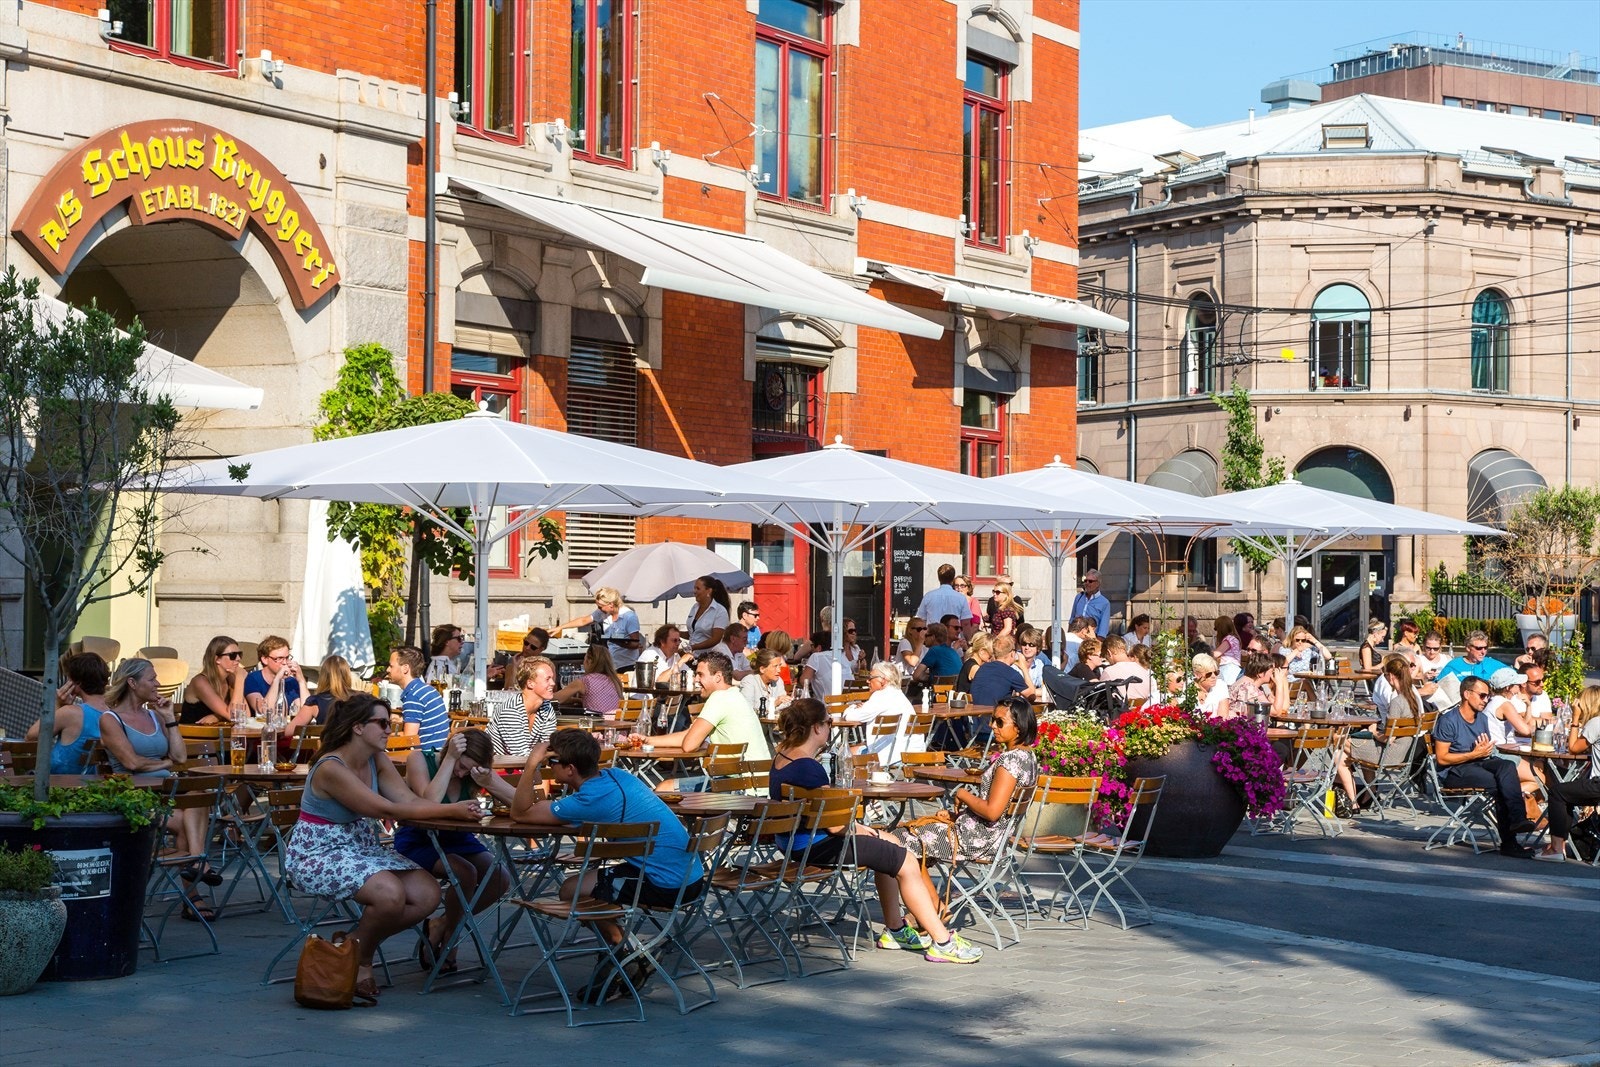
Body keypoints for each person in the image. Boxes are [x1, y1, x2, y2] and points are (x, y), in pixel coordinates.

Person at [283, 693, 481, 1000]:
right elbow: (386, 810)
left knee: (428, 894)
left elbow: (410, 801)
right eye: (383, 723)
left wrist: (451, 807)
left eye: (392, 723)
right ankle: (360, 960)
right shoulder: (331, 767)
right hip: (318, 853)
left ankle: (353, 944)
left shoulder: (376, 758)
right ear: (358, 727)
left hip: (361, 849)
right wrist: (451, 810)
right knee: (390, 894)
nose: (390, 730)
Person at [768, 698, 978, 963]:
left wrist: (867, 831)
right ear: (817, 727)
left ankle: (896, 929)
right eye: (829, 723)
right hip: (819, 845)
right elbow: (834, 826)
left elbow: (829, 819)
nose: (831, 728)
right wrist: (870, 832)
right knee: (907, 860)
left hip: (792, 843)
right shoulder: (809, 768)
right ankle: (942, 941)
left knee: (890, 848)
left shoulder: (782, 757)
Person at [512, 728, 704, 979]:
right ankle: (623, 953)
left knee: (572, 890)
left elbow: (520, 814)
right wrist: (490, 782)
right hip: (688, 874)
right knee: (584, 886)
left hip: (668, 883)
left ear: (570, 769)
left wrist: (531, 765)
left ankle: (626, 951)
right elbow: (533, 811)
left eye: (552, 761)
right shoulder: (616, 776)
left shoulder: (591, 799)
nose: (549, 765)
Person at [889, 696, 1037, 963]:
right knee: (913, 839)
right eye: (993, 719)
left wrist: (965, 795)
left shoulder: (1010, 762)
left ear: (1019, 726)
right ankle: (933, 911)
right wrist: (960, 813)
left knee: (900, 840)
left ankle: (934, 914)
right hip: (981, 833)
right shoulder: (1027, 757)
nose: (992, 725)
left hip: (976, 840)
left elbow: (992, 811)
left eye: (1000, 721)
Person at [395, 728, 514, 972]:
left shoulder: (471, 773)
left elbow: (521, 803)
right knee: (465, 872)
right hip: (420, 839)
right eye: (461, 765)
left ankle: (443, 925)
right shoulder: (419, 759)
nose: (461, 773)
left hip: (457, 839)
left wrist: (488, 780)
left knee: (500, 878)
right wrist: (449, 760)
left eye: (466, 769)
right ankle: (452, 942)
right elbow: (429, 804)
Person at [99, 658, 213, 904]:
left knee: (198, 796)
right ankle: (194, 890)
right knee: (187, 819)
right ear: (132, 683)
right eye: (152, 679)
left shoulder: (155, 715)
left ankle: (195, 863)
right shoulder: (110, 719)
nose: (158, 684)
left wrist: (170, 717)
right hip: (136, 798)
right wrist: (165, 763)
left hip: (167, 795)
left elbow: (181, 756)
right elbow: (132, 763)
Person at [1434, 676, 1535, 858]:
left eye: (1487, 696)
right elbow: (1441, 758)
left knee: (1507, 766)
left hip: (1479, 761)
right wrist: (1473, 754)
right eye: (1482, 696)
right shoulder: (1448, 720)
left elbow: (1484, 749)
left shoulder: (1481, 718)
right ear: (1467, 694)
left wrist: (1483, 752)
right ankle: (1509, 843)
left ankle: (1518, 819)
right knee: (1500, 784)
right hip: (1455, 770)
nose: (1486, 700)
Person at [635, 652, 770, 759]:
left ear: (718, 676)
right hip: (754, 781)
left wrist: (704, 744)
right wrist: (647, 740)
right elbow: (689, 736)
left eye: (700, 675)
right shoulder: (734, 695)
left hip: (739, 785)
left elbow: (689, 745)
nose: (695, 679)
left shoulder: (719, 698)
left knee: (664, 789)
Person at [1535, 685, 1600, 863]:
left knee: (1557, 792)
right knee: (1567, 793)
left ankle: (1556, 848)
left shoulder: (1596, 723)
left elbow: (1572, 748)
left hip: (1598, 785)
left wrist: (1576, 719)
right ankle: (1560, 844)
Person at [27, 652, 110, 775]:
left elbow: (31, 737)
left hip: (61, 786)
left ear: (76, 683)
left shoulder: (70, 713)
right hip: (94, 786)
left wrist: (58, 705)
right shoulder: (113, 714)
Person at [487, 655, 560, 765]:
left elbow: (549, 745)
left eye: (552, 678)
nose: (553, 683)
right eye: (547, 679)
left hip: (525, 768)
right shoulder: (510, 710)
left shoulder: (546, 707)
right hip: (496, 769)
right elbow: (520, 754)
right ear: (530, 683)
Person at [555, 587, 643, 675]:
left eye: (600, 607)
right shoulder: (603, 613)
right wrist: (561, 627)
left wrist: (618, 641)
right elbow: (584, 621)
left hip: (626, 664)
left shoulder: (629, 617)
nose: (599, 609)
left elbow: (635, 644)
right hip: (611, 663)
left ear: (611, 605)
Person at [389, 644, 448, 750]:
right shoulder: (426, 690)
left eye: (391, 666)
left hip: (427, 759)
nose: (388, 670)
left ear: (405, 669)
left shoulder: (414, 696)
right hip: (439, 753)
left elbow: (409, 738)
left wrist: (383, 737)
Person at [179, 635, 248, 725]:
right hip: (193, 737)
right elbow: (234, 716)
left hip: (217, 736)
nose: (238, 659)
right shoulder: (200, 682)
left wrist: (217, 716)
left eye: (240, 654)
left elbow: (246, 715)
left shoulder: (229, 679)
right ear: (217, 659)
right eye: (233, 655)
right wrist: (240, 678)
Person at [552, 643, 624, 716]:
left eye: (584, 659)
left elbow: (556, 699)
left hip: (598, 723)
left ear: (589, 661)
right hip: (617, 721)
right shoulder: (614, 680)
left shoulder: (585, 681)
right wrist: (578, 700)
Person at [246, 635, 304, 721]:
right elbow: (264, 712)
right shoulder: (253, 679)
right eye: (279, 658)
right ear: (265, 659)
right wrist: (277, 680)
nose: (285, 663)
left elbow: (305, 711)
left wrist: (301, 680)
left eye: (287, 658)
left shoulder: (290, 681)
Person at [1226, 653, 1288, 720]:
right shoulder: (1248, 687)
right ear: (1260, 673)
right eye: (1272, 671)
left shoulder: (1245, 683)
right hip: (1239, 728)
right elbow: (1276, 712)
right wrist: (1280, 684)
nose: (1273, 674)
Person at [1437, 630, 1506, 685]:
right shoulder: (1453, 666)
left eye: (1485, 648)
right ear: (1468, 648)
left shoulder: (1492, 664)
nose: (1483, 652)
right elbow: (1437, 685)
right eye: (1479, 648)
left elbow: (1513, 677)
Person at [800, 629, 855, 698]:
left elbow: (804, 681)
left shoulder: (816, 656)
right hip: (849, 703)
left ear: (819, 648)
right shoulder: (841, 656)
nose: (811, 649)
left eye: (812, 645)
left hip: (828, 705)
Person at [916, 564, 971, 630]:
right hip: (953, 636)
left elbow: (921, 619)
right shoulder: (961, 598)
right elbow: (966, 623)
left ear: (939, 578)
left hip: (933, 636)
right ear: (953, 579)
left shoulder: (928, 596)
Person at [305, 655, 356, 726]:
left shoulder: (315, 702)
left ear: (323, 676)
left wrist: (301, 680)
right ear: (347, 674)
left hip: (328, 736)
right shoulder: (362, 699)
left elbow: (290, 730)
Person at [1099, 636, 1152, 703]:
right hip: (1142, 711)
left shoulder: (1109, 671)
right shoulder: (1144, 671)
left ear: (1109, 653)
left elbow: (1100, 698)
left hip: (1120, 711)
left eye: (1106, 657)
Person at [685, 575, 730, 654]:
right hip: (692, 655)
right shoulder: (695, 607)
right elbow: (693, 633)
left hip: (708, 658)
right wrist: (675, 632)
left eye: (698, 588)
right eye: (694, 588)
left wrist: (694, 647)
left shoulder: (720, 611)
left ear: (709, 591)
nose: (694, 591)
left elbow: (716, 639)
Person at [738, 648, 790, 717]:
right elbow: (747, 709)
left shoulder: (778, 681)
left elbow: (785, 704)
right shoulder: (749, 682)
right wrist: (774, 704)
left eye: (779, 666)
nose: (779, 670)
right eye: (775, 666)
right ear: (762, 669)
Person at [911, 622, 963, 688]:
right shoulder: (953, 651)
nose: (924, 638)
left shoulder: (934, 650)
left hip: (939, 693)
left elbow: (916, 676)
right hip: (954, 693)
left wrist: (932, 678)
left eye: (926, 636)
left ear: (933, 637)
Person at [1070, 570, 1111, 637]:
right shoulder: (1079, 597)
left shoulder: (1104, 603)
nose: (1087, 583)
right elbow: (1072, 619)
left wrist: (1095, 643)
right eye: (1085, 581)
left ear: (1098, 583)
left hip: (1090, 639)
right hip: (1075, 636)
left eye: (1090, 581)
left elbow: (1103, 629)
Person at [1213, 616, 1241, 683]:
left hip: (1228, 669)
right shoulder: (1233, 638)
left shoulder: (1229, 639)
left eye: (1216, 629)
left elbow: (1216, 654)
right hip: (1232, 668)